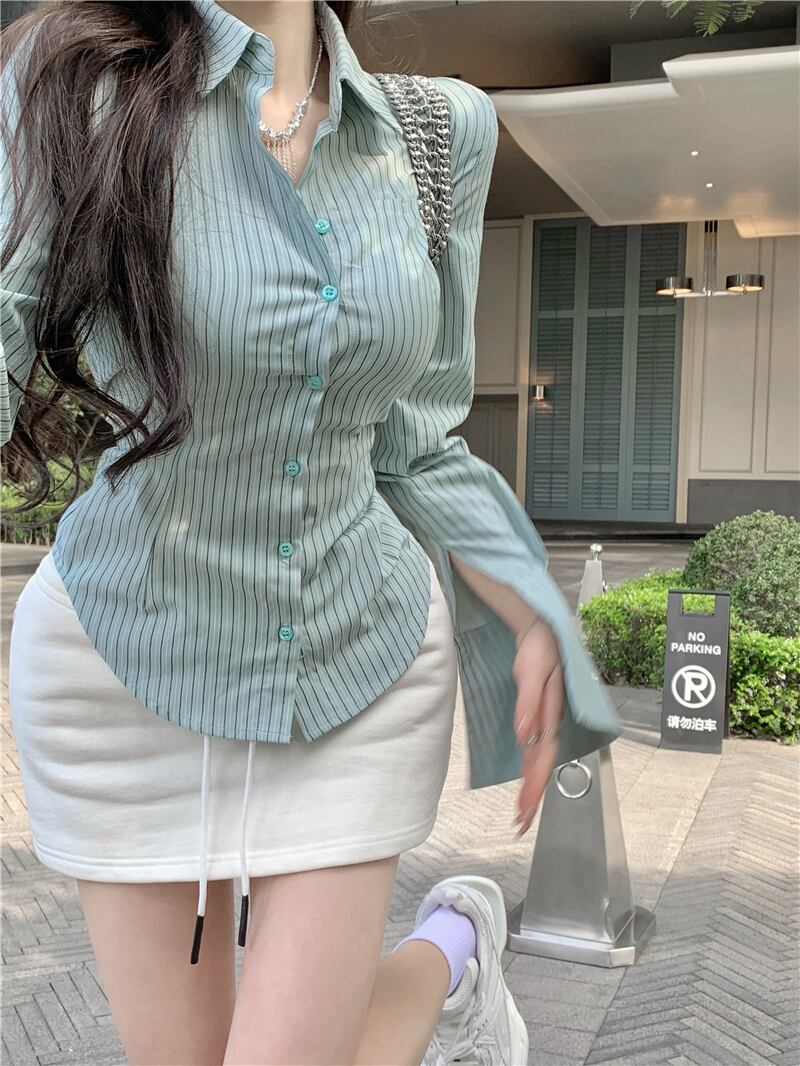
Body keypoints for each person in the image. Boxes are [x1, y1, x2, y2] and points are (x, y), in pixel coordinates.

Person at [1, 1, 622, 1063]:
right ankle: (455, 958)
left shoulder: (439, 135)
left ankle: (450, 954)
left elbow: (418, 439)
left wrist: (533, 613)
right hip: (119, 660)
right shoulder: (72, 88)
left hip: (355, 664)